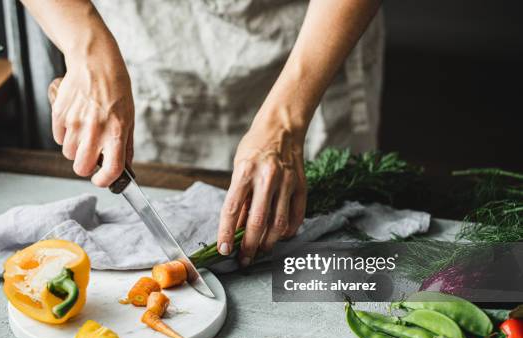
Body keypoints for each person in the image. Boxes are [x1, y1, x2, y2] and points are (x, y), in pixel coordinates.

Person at [20, 0, 383, 266]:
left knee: (331, 248)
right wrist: (86, 47)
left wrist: (287, 120)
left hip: (308, 42)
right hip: (145, 45)